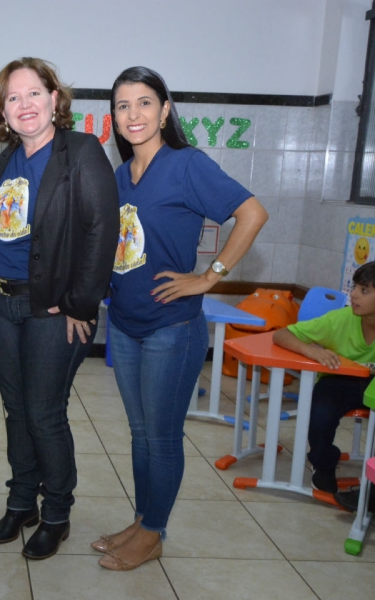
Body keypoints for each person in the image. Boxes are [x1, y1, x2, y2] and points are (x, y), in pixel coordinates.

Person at [94, 66, 268, 571]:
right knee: (140, 434)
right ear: (113, 117)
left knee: (162, 436)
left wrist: (209, 276)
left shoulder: (187, 164)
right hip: (125, 323)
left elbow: (252, 213)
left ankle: (153, 534)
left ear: (165, 110)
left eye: (144, 103)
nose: (133, 114)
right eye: (123, 105)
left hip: (171, 328)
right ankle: (142, 521)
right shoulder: (120, 176)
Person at [0, 57, 120, 560]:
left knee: (44, 412)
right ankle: (22, 501)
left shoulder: (80, 151)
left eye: (34, 93)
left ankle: (56, 512)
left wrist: (82, 302)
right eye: (13, 98)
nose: (24, 105)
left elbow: (102, 229)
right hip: (0, 304)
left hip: (54, 309)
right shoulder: (6, 160)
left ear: (54, 99)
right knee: (16, 410)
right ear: (3, 111)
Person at [273, 262, 375, 511]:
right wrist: (310, 349)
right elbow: (281, 335)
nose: (353, 294)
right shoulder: (340, 318)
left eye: (364, 290)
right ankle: (323, 466)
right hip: (338, 380)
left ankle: (372, 489)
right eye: (355, 287)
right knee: (320, 413)